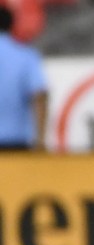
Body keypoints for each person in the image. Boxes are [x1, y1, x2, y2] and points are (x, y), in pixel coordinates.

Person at [0, 4, 48, 152]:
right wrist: (40, 141)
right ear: (12, 25)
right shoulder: (25, 56)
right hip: (16, 142)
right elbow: (39, 96)